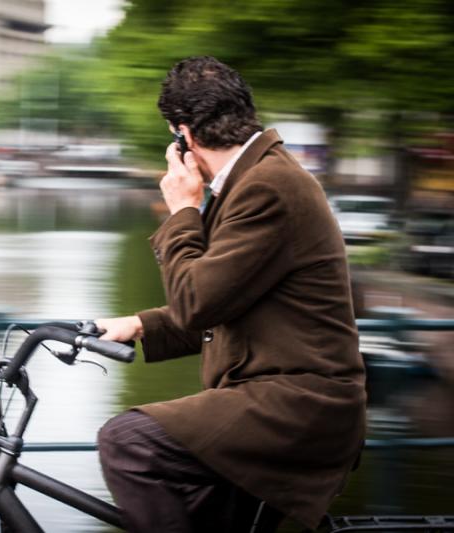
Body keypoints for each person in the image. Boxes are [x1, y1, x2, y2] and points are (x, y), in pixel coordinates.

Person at [96, 56, 366, 532]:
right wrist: (139, 325)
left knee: (129, 442)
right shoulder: (253, 180)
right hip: (278, 401)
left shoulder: (268, 187)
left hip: (296, 405)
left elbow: (198, 302)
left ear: (184, 134)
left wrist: (182, 210)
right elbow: (222, 299)